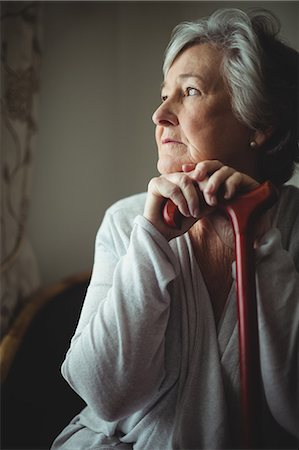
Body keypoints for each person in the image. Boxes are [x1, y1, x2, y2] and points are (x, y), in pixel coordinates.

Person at [51, 8, 299, 450]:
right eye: (163, 95)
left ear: (260, 124)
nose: (160, 114)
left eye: (189, 91)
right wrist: (151, 238)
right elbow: (105, 394)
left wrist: (258, 244)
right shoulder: (127, 221)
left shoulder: (293, 226)